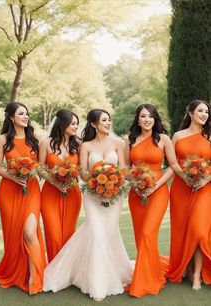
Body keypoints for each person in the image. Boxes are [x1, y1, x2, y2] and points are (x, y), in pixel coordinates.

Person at [43, 109, 133, 301]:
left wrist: (114, 178)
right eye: (104, 120)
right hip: (92, 195)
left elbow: (124, 168)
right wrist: (96, 179)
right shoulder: (85, 146)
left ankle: (112, 272)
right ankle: (97, 284)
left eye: (109, 120)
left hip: (115, 196)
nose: (108, 123)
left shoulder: (119, 143)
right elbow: (82, 173)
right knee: (97, 233)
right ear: (93, 124)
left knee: (109, 234)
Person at [125, 103, 182, 297]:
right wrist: (136, 186)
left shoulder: (164, 139)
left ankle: (145, 282)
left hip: (157, 193)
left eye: (150, 116)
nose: (147, 119)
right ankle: (152, 269)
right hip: (136, 194)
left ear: (155, 118)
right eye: (143, 116)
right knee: (141, 238)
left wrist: (155, 186)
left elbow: (173, 165)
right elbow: (126, 169)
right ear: (138, 119)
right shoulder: (131, 139)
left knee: (149, 234)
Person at [0, 102, 46, 295]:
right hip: (9, 191)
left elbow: (41, 166)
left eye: (27, 113)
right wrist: (13, 176)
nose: (25, 116)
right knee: (14, 233)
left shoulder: (36, 139)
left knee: (30, 232)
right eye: (21, 113)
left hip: (31, 190)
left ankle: (34, 277)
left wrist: (32, 172)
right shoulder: (2, 140)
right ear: (10, 117)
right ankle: (15, 271)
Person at [167, 100, 211, 290]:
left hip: (205, 188)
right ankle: (186, 266)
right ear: (191, 113)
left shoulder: (209, 136)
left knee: (199, 230)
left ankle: (196, 275)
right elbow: (173, 162)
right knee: (183, 230)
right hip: (181, 188)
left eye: (207, 112)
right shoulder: (177, 136)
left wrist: (204, 179)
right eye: (200, 111)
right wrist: (186, 178)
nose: (204, 114)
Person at [39, 109, 81, 263]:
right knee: (54, 234)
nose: (76, 127)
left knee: (69, 234)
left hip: (72, 193)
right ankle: (53, 270)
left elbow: (82, 170)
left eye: (77, 124)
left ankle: (67, 270)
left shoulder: (78, 144)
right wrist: (55, 181)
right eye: (74, 123)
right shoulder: (46, 142)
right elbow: (40, 167)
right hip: (50, 192)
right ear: (63, 124)